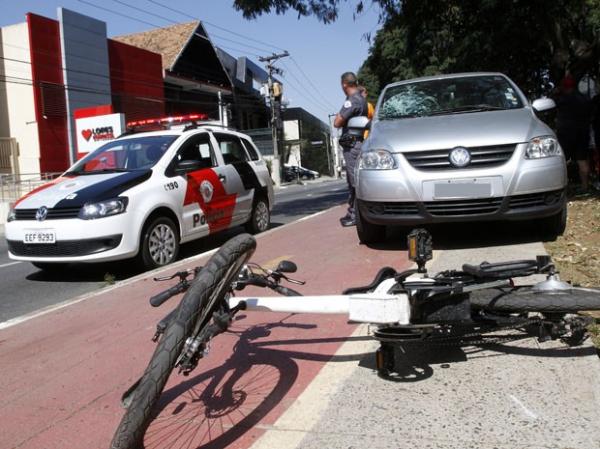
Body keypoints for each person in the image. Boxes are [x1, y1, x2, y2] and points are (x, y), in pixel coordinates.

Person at [334, 72, 368, 227]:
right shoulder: (362, 99)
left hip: (352, 145)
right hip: (358, 143)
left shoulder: (352, 101)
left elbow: (337, 122)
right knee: (353, 180)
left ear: (344, 84)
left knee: (354, 181)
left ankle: (356, 215)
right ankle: (354, 212)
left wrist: (339, 116)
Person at [554, 74, 592, 193]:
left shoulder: (561, 99)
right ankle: (585, 186)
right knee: (582, 160)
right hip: (582, 132)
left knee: (562, 160)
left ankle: (563, 187)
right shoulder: (584, 99)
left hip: (566, 133)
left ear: (563, 87)